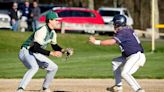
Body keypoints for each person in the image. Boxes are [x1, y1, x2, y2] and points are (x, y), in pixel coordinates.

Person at [89, 15, 146, 92]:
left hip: (136, 56)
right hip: (130, 56)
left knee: (125, 73)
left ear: (118, 24)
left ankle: (139, 90)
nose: (113, 25)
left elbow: (112, 42)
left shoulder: (123, 32)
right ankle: (118, 87)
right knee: (115, 62)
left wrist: (96, 42)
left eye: (114, 23)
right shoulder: (126, 30)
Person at [17, 11, 71, 92]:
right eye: (56, 20)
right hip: (26, 51)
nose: (58, 22)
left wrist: (64, 51)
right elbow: (35, 47)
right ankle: (20, 89)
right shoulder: (42, 30)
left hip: (36, 53)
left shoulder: (52, 33)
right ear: (50, 20)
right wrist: (51, 53)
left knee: (54, 67)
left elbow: (54, 46)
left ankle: (44, 88)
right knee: (34, 67)